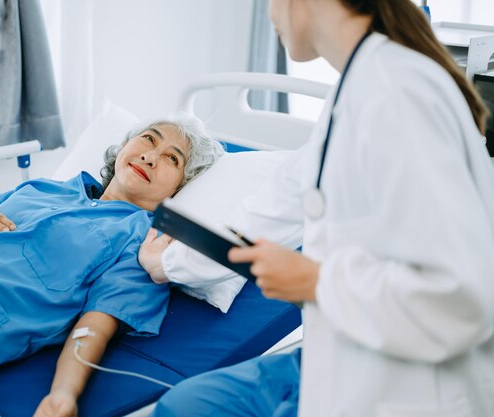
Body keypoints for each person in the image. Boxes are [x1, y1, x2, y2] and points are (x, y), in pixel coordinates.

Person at [141, 1, 494, 416]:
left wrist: (315, 281)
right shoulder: (355, 89)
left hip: (409, 383)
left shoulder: (398, 96)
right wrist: (168, 263)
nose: (270, 12)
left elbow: (461, 301)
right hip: (349, 347)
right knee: (186, 404)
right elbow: (273, 206)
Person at [0, 115, 224, 417]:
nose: (150, 156)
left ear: (179, 189)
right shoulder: (43, 187)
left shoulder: (139, 241)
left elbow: (95, 326)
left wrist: (64, 395)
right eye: (149, 139)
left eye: (172, 159)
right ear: (125, 145)